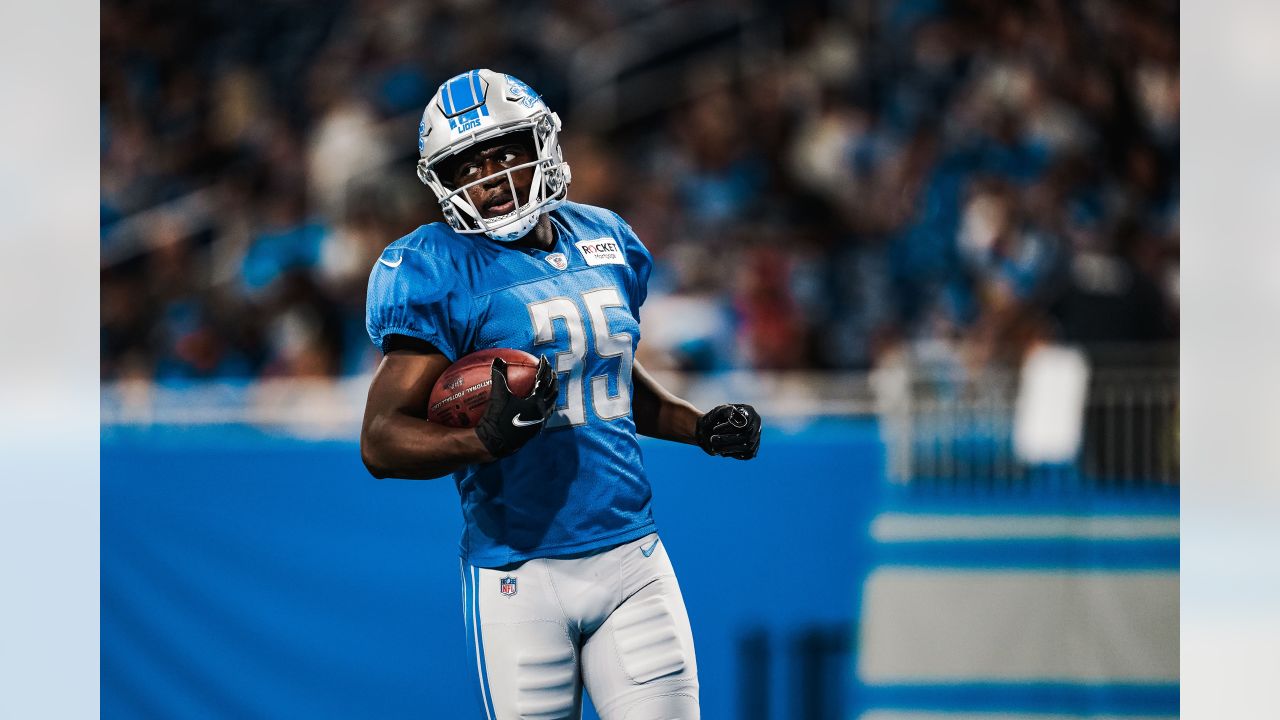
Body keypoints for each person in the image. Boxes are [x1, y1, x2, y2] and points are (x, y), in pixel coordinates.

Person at [360, 69, 762, 720]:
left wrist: (698, 425)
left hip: (633, 559)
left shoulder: (605, 239)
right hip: (521, 573)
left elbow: (605, 374)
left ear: (542, 144)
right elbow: (379, 439)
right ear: (442, 179)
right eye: (468, 163)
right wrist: (479, 439)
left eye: (505, 151)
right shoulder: (437, 267)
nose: (489, 175)